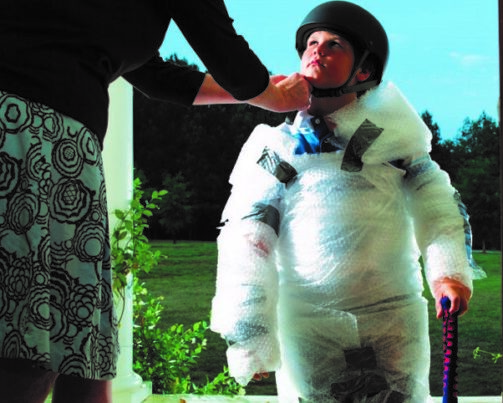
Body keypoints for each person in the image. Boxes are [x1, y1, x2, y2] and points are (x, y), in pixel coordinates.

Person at [0, 1, 311, 402]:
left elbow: (152, 74)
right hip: (30, 142)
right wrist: (273, 94)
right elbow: (221, 45)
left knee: (77, 347)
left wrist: (258, 93)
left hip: (54, 149)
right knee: (29, 342)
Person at [210, 1, 485, 402]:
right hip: (309, 327)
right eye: (311, 43)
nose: (316, 50)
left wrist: (448, 273)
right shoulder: (279, 151)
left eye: (334, 44)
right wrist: (249, 334)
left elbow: (438, 205)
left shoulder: (392, 141)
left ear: (364, 70)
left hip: (392, 321)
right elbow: (248, 240)